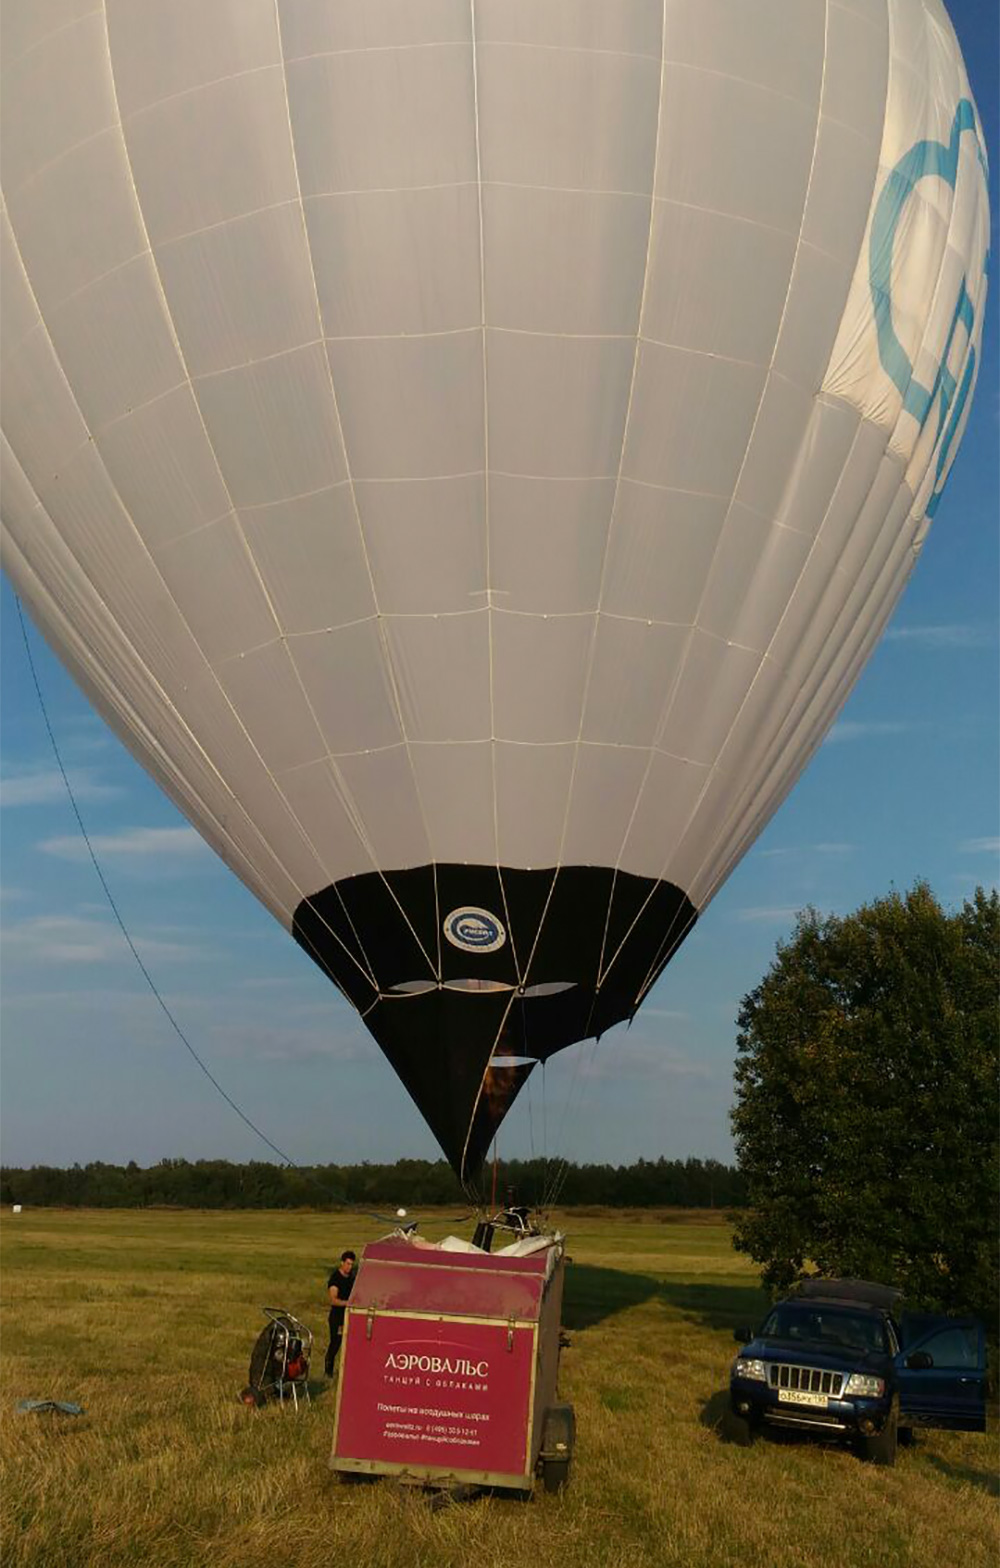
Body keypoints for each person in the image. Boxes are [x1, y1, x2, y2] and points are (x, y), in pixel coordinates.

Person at [325, 1250, 357, 1377]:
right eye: (347, 1264)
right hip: (337, 1317)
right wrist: (348, 1303)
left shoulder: (351, 1278)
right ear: (342, 1263)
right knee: (335, 1343)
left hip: (348, 1316)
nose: (349, 1267)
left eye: (351, 1265)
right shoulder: (335, 1278)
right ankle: (328, 1371)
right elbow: (333, 1300)